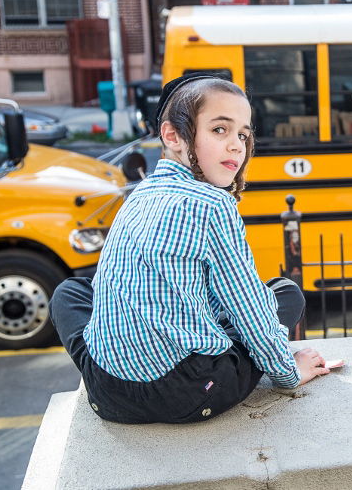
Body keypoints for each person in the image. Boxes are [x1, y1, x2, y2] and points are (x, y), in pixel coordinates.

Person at [50, 73, 329, 424]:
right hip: (185, 393)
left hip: (109, 393)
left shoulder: (140, 194)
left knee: (70, 290)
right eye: (219, 130)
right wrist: (289, 373)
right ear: (173, 135)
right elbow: (250, 310)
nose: (236, 146)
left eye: (243, 134)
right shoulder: (214, 205)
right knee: (285, 294)